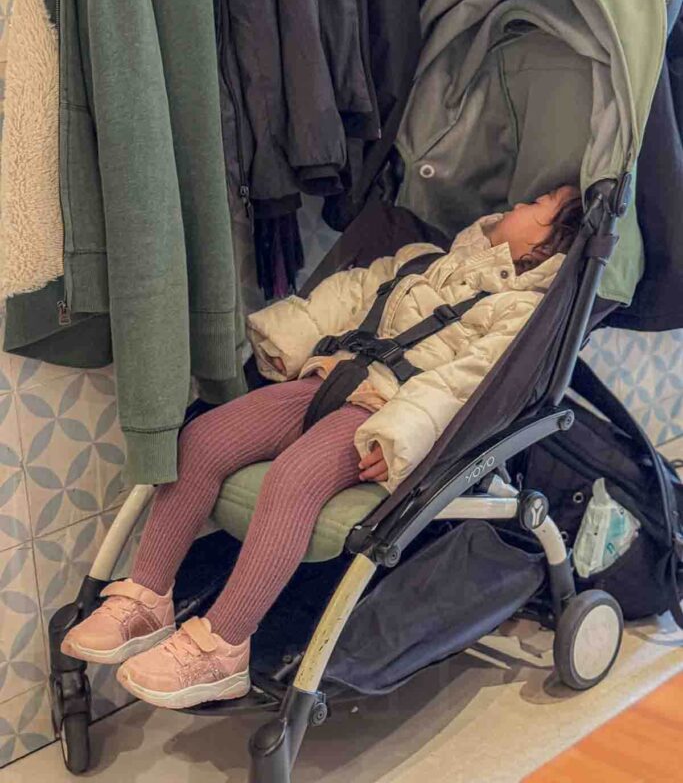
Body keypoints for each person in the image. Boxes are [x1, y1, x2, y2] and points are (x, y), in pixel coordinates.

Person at [61, 186, 582, 708]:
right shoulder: (421, 259)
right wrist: (286, 337)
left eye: (538, 206)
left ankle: (224, 647)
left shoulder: (519, 310)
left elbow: (465, 384)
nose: (518, 204)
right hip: (326, 380)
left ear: (544, 249)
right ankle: (149, 598)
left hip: (380, 409)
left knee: (293, 479)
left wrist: (401, 432)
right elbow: (352, 294)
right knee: (201, 439)